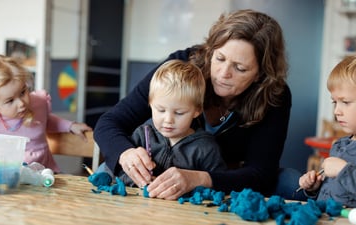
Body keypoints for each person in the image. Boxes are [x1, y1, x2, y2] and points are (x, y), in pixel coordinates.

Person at [94, 9, 293, 200]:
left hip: (226, 182)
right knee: (106, 171)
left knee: (290, 180)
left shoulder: (275, 96)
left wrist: (200, 178)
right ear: (210, 51)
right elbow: (109, 122)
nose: (224, 74)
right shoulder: (180, 68)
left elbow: (261, 173)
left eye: (240, 68)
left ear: (260, 74)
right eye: (220, 58)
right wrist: (125, 153)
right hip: (158, 176)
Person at [298, 48, 356, 212]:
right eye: (335, 102)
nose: (336, 111)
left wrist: (343, 171)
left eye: (345, 102)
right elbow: (335, 192)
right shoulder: (339, 145)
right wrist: (314, 188)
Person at [113, 59, 227, 187]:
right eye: (160, 110)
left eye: (179, 113)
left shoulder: (206, 148)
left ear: (197, 111)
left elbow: (219, 185)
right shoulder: (142, 135)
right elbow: (120, 174)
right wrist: (141, 181)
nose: (168, 120)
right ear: (150, 104)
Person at [0, 55, 92, 173]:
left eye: (23, 92)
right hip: (6, 176)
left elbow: (46, 120)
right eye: (10, 101)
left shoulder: (38, 102)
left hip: (44, 173)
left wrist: (70, 126)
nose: (21, 103)